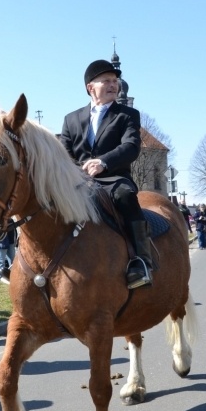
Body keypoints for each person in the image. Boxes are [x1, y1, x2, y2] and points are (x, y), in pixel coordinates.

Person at [60, 59, 150, 289]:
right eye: (106, 81)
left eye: (115, 81)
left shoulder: (127, 115)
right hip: (79, 181)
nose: (113, 85)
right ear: (90, 87)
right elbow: (64, 154)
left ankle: (141, 261)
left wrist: (103, 162)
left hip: (113, 179)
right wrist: (75, 171)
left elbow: (131, 146)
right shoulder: (71, 119)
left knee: (125, 196)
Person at [0, 218, 16, 285]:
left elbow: (14, 230)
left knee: (13, 260)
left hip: (10, 240)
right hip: (1, 242)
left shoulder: (11, 220)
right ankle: (0, 277)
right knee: (1, 260)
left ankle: (13, 275)